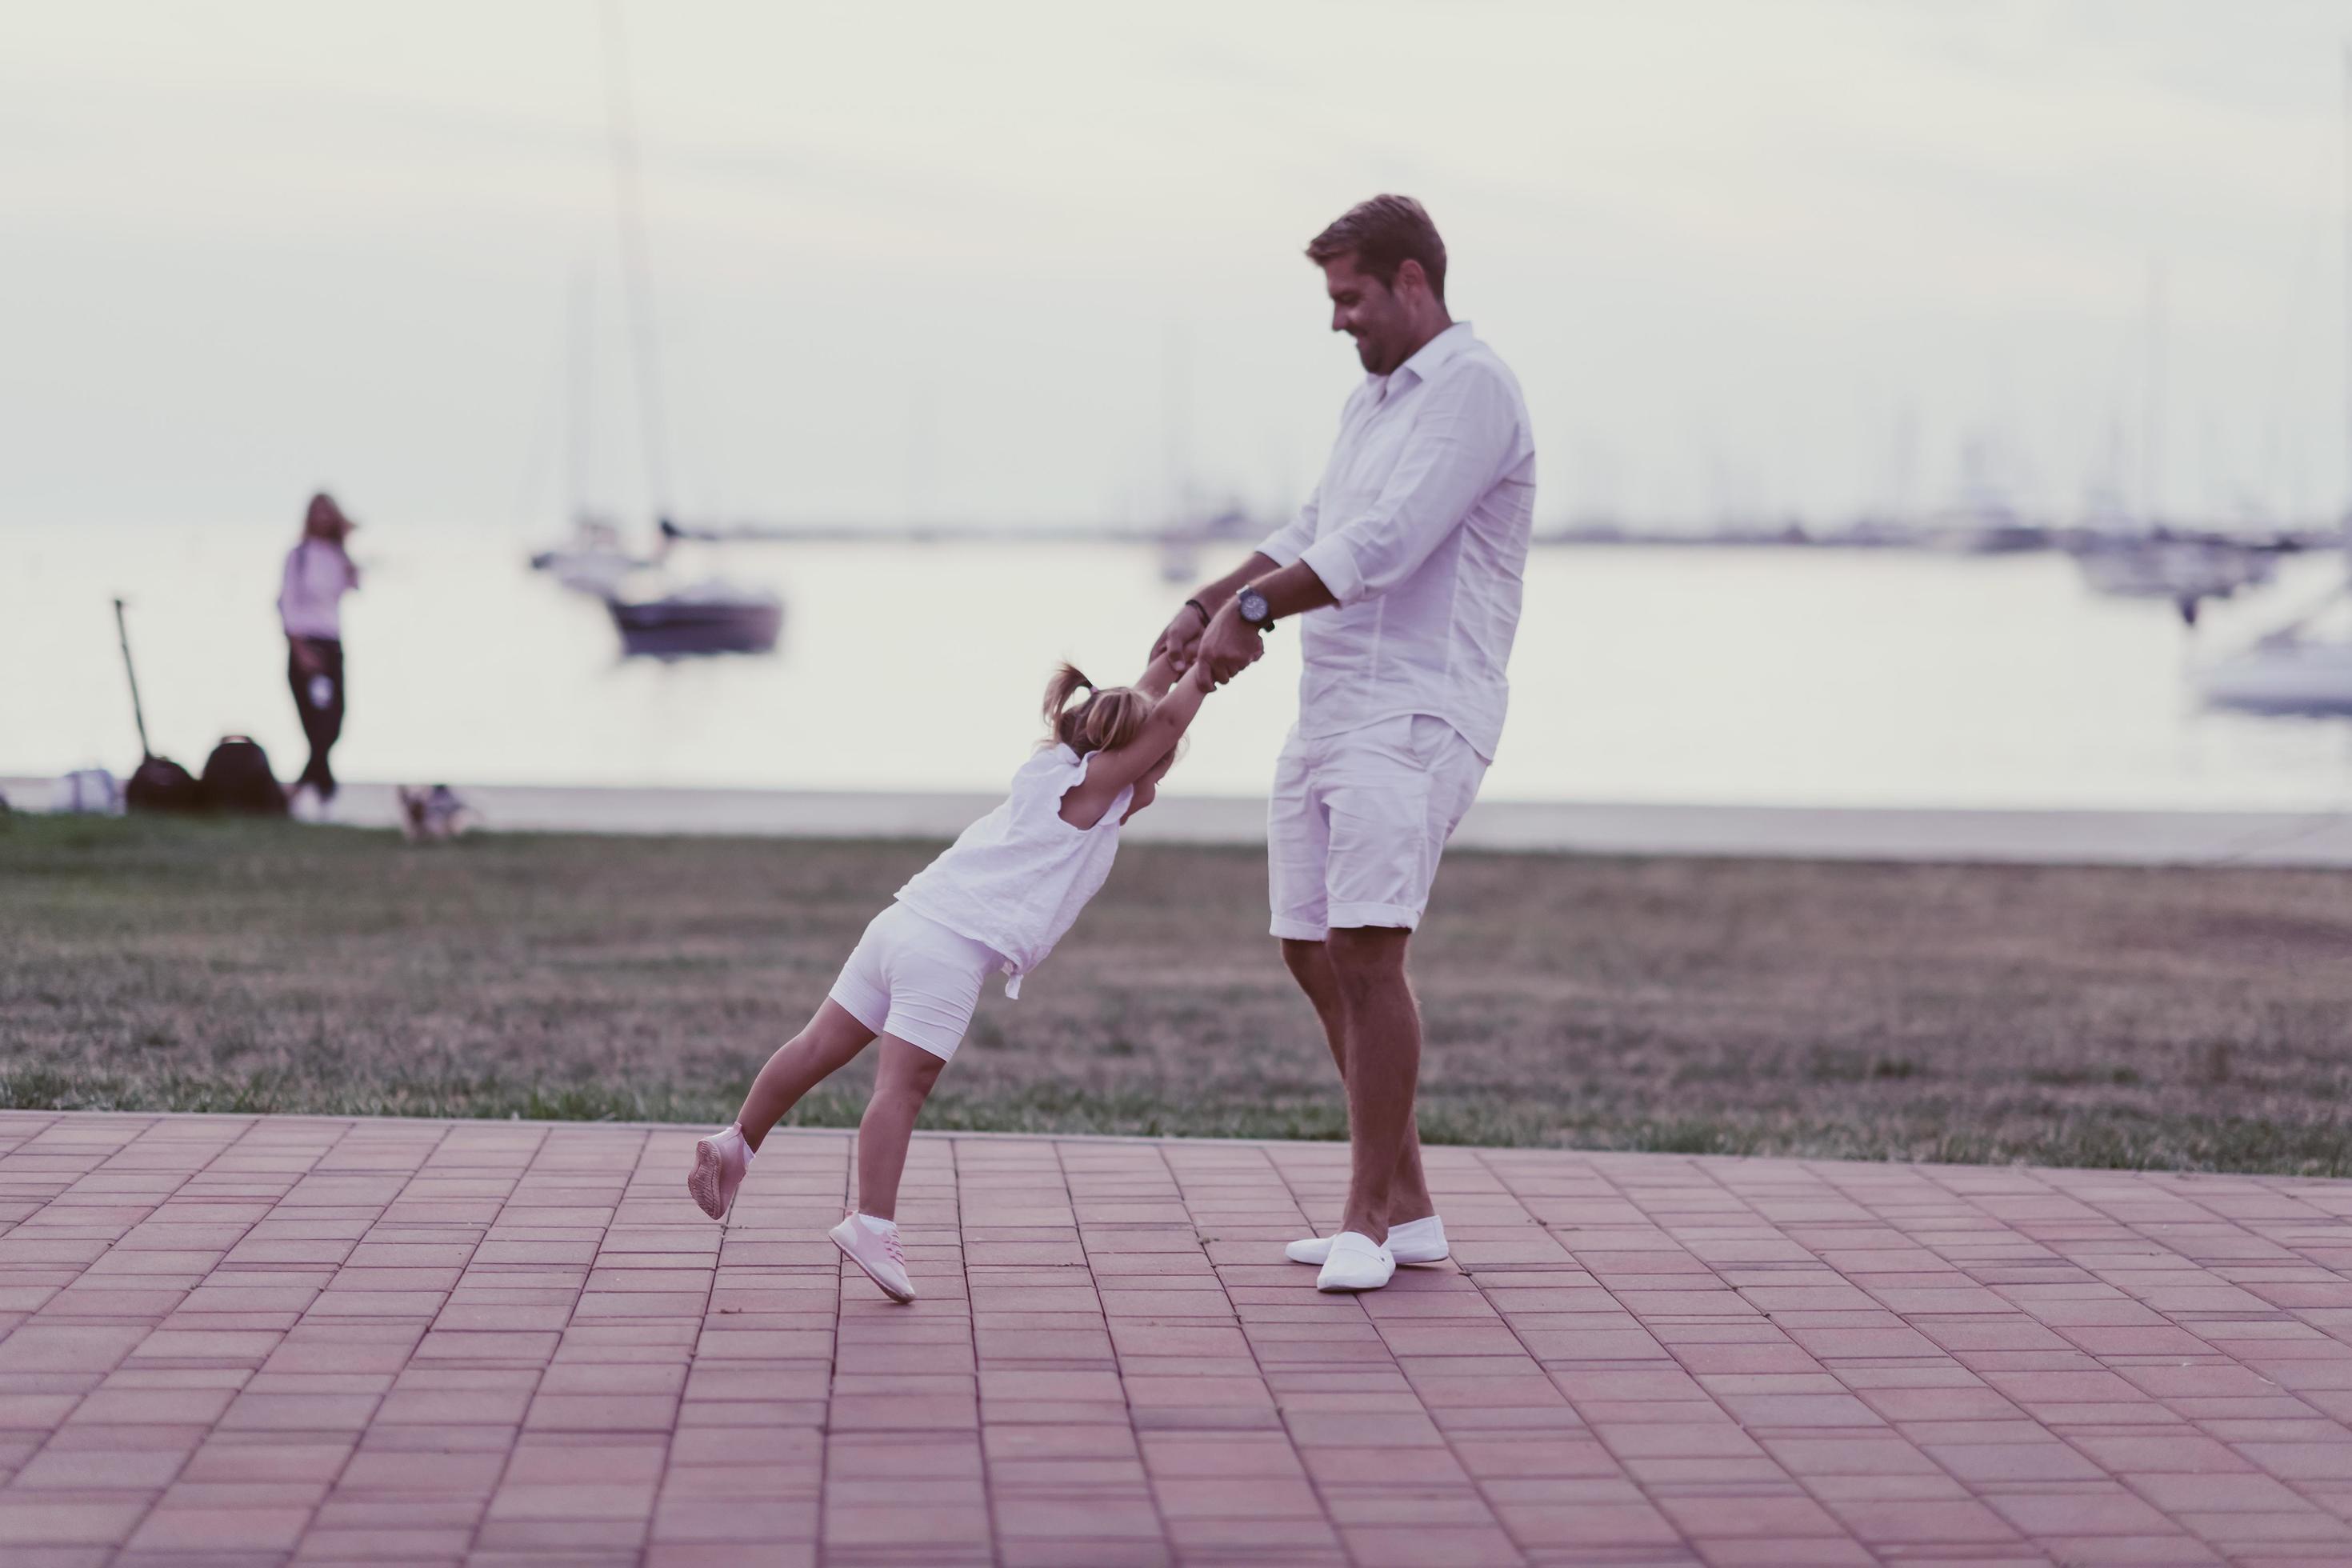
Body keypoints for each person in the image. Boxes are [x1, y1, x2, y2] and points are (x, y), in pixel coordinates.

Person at [1154, 194, 1536, 1294]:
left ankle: (1366, 1215)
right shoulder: (1371, 403)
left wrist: (1259, 615)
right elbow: (1311, 530)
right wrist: (1207, 601)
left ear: (1413, 282)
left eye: (1351, 298)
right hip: (1330, 708)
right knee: (1308, 946)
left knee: (1369, 952)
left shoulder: (1475, 390)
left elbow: (1387, 543)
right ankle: (1408, 1209)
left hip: (1418, 708)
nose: (1339, 322)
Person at [686, 650, 1224, 1301]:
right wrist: (1205, 672)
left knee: (817, 1047)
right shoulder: (1093, 794)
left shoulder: (1053, 772)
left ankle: (738, 1142)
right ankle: (871, 1223)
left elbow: (1136, 718)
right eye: (1158, 765)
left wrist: (1166, 660)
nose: (1159, 777)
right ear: (1126, 759)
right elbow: (1157, 729)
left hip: (901, 920)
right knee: (901, 1091)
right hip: (947, 952)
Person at [278, 493, 362, 814]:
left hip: (333, 643)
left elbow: (353, 587)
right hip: (306, 644)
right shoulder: (298, 557)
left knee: (334, 720)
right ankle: (321, 793)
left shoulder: (337, 555)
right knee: (317, 724)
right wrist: (298, 649)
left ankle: (300, 789)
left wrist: (348, 548)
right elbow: (286, 604)